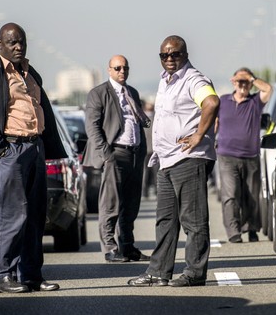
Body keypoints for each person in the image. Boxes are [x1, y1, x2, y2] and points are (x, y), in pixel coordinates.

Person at [0, 22, 64, 293]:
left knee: (34, 216)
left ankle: (31, 275)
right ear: (0, 44)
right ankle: (4, 275)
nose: (18, 46)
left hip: (34, 148)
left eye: (21, 42)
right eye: (12, 42)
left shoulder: (29, 74)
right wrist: (1, 150)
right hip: (11, 150)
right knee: (10, 216)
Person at [128, 35, 220, 288]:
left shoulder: (193, 79)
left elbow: (212, 102)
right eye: (164, 55)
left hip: (189, 159)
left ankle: (194, 272)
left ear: (185, 55)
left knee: (193, 219)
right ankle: (158, 271)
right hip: (166, 160)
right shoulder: (165, 81)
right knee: (165, 220)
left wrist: (199, 135)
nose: (169, 59)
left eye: (175, 54)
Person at [82, 55, 151, 263]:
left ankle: (127, 246)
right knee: (110, 203)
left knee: (131, 203)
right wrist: (106, 154)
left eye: (125, 68)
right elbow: (92, 126)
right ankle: (110, 248)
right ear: (109, 70)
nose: (122, 71)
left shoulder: (132, 92)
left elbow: (137, 121)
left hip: (135, 153)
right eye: (118, 68)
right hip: (115, 153)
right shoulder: (99, 93)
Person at [215, 67, 272, 243]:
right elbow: (214, 123)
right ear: (233, 82)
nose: (243, 85)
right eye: (239, 82)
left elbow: (268, 89)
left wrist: (251, 77)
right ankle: (234, 232)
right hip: (227, 156)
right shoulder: (222, 101)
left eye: (246, 82)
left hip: (250, 156)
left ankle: (252, 228)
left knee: (251, 196)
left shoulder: (255, 102)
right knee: (231, 194)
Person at [141, 100, 158, 198]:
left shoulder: (142, 120)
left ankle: (144, 192)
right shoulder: (156, 119)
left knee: (145, 172)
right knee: (156, 172)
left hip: (145, 149)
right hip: (154, 149)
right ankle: (156, 191)